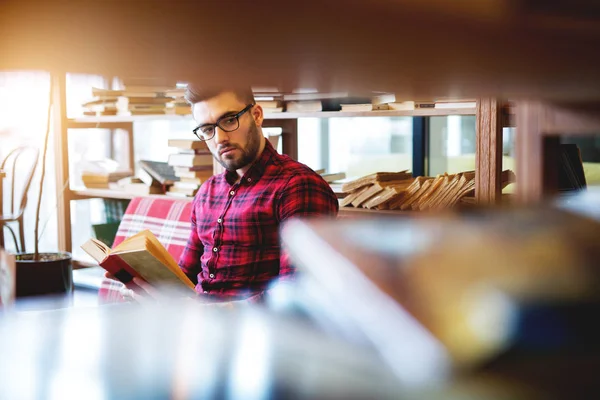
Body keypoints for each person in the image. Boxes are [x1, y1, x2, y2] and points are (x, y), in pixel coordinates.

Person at [127, 86, 339, 303]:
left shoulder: (297, 185)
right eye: (208, 129)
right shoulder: (207, 191)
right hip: (196, 323)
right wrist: (152, 289)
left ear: (256, 115)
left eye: (229, 120)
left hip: (254, 330)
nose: (220, 138)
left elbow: (298, 294)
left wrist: (211, 312)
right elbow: (186, 275)